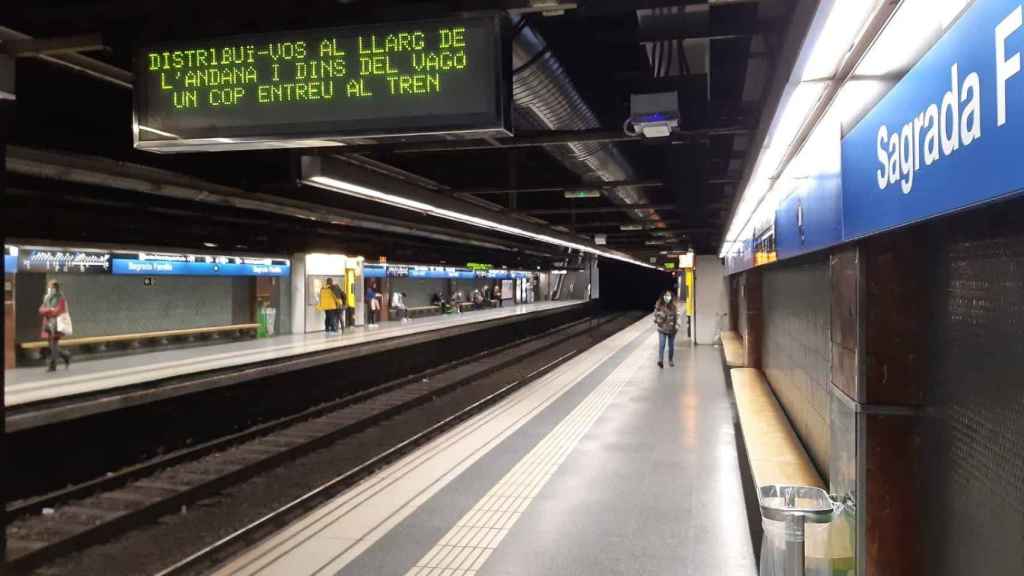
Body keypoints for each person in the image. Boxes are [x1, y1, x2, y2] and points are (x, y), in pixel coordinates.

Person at [38, 281, 72, 372]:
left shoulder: (61, 298)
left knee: (53, 344)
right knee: (52, 345)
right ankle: (65, 355)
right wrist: (49, 310)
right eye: (48, 287)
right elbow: (41, 310)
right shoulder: (46, 297)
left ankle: (52, 366)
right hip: (48, 324)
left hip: (56, 325)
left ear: (56, 287)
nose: (49, 289)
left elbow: (59, 310)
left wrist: (48, 311)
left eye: (51, 287)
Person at [654, 289, 679, 368]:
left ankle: (670, 360)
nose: (667, 297)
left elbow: (677, 317)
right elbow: (655, 317)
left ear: (671, 297)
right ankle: (661, 361)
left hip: (672, 330)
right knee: (662, 345)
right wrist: (661, 315)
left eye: (669, 296)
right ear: (663, 297)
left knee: (671, 346)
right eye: (666, 296)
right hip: (662, 329)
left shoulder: (674, 307)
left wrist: (676, 326)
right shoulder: (659, 306)